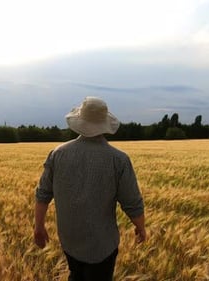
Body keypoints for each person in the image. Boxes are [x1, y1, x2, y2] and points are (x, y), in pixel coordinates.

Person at [34, 96, 146, 281]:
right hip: (102, 246)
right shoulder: (119, 160)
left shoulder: (58, 154)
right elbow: (132, 203)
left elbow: (43, 194)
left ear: (80, 122)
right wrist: (140, 227)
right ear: (104, 124)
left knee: (75, 274)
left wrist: (38, 226)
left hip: (69, 239)